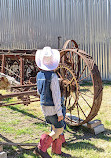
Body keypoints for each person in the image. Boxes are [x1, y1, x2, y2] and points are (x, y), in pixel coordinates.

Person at [33, 46, 65, 158]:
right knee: (59, 129)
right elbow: (56, 96)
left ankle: (56, 150)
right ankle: (41, 148)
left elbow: (39, 92)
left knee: (54, 127)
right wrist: (60, 113)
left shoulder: (39, 75)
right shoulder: (53, 76)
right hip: (53, 107)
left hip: (43, 106)